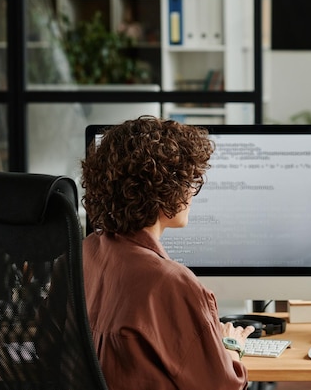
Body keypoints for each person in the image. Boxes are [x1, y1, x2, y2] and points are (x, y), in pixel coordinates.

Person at [80, 116, 254, 390]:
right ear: (165, 192)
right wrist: (231, 346)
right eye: (189, 180)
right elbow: (223, 387)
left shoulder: (86, 251)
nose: (191, 192)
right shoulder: (171, 283)